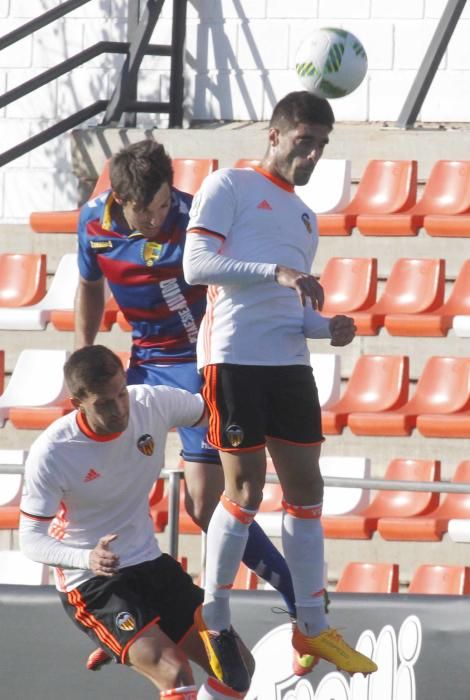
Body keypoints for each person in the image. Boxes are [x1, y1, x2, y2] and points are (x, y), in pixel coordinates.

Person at [74, 140, 311, 677]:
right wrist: (84, 350)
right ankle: (127, 623)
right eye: (147, 211)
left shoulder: (196, 216)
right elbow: (89, 285)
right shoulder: (93, 223)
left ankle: (295, 593)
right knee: (107, 489)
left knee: (205, 507)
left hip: (203, 361)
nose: (159, 218)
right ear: (120, 200)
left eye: (164, 206)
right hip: (143, 368)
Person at [183, 90, 378, 684]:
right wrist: (278, 270)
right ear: (275, 135)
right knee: (243, 492)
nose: (314, 154)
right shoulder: (229, 186)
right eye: (304, 141)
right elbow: (195, 266)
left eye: (322, 145)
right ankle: (214, 615)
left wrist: (327, 327)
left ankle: (312, 624)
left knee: (307, 491)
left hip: (289, 363)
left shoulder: (304, 218)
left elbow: (289, 310)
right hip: (234, 358)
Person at [19, 345, 254, 698]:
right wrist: (87, 558)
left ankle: (126, 640)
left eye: (120, 394)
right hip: (94, 581)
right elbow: (31, 539)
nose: (119, 409)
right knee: (175, 672)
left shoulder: (150, 403)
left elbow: (214, 412)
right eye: (104, 403)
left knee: (237, 668)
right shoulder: (54, 451)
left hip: (148, 563)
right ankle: (121, 637)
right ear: (77, 403)